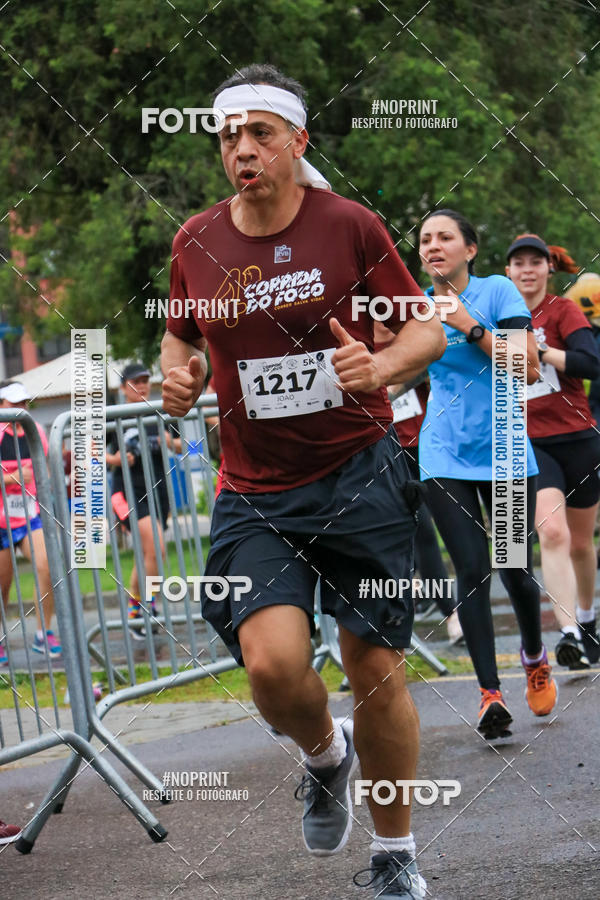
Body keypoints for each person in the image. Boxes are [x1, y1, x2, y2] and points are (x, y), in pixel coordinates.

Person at [161, 63, 446, 899]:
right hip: (254, 490)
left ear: (296, 141)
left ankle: (395, 853)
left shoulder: (349, 225)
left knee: (375, 668)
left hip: (359, 472)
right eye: (227, 137)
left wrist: (380, 366)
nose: (242, 150)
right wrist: (177, 377)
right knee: (274, 667)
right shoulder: (195, 242)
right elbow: (180, 340)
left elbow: (422, 330)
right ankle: (326, 755)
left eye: (259, 133)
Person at [417, 209, 558, 738]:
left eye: (445, 237)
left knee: (514, 570)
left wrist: (468, 326)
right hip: (443, 452)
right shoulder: (416, 303)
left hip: (502, 448)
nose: (433, 246)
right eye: (425, 239)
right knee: (471, 567)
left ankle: (534, 655)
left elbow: (527, 366)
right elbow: (397, 365)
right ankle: (489, 696)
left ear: (469, 249)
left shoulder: (498, 291)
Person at [506, 235, 600, 667]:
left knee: (581, 543)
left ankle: (587, 618)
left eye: (535, 263)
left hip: (578, 437)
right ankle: (566, 635)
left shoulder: (562, 311)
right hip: (528, 440)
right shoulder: (497, 315)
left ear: (548, 269)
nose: (527, 270)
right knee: (553, 533)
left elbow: (590, 364)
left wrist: (538, 350)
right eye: (519, 263)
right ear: (508, 271)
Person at [373, 322, 462, 644]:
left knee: (445, 531)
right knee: (415, 531)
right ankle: (443, 614)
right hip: (384, 455)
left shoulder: (413, 340)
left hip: (427, 449)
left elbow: (432, 374)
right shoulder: (358, 344)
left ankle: (456, 613)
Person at [106, 363, 180, 639]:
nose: (143, 385)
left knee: (147, 553)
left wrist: (170, 442)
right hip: (126, 493)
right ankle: (146, 607)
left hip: (158, 490)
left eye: (146, 380)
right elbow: (86, 452)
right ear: (123, 388)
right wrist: (114, 459)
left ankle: (136, 611)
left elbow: (190, 446)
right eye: (136, 382)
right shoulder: (112, 416)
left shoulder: (161, 411)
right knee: (157, 549)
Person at [0, 382, 60, 663]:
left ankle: (43, 634)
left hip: (28, 515)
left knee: (47, 566)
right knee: (3, 584)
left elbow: (42, 468)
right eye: (14, 404)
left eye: (24, 403)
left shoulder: (35, 431)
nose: (20, 409)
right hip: (0, 521)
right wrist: (14, 478)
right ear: (1, 405)